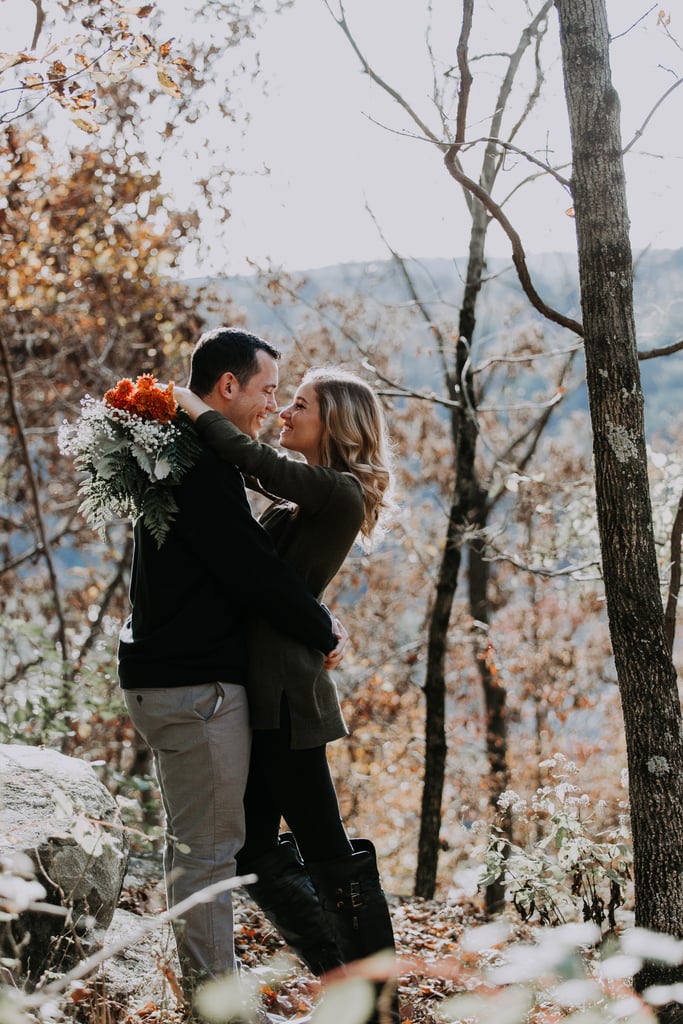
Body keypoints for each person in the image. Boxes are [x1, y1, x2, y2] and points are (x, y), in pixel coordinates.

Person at [118, 328, 346, 1010]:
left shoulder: (184, 454)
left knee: (208, 847)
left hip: (175, 677)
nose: (272, 407)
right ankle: (217, 1004)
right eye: (268, 391)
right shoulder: (199, 466)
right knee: (209, 855)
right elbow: (252, 568)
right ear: (227, 388)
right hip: (192, 689)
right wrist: (321, 625)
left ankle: (212, 987)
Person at [174, 364, 400, 1024]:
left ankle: (374, 1000)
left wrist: (189, 403)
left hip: (287, 699)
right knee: (257, 851)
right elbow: (269, 563)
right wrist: (322, 616)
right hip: (266, 689)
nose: (283, 412)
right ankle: (348, 981)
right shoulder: (301, 501)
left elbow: (249, 458)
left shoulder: (339, 490)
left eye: (298, 404)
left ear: (336, 423)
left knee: (326, 849)